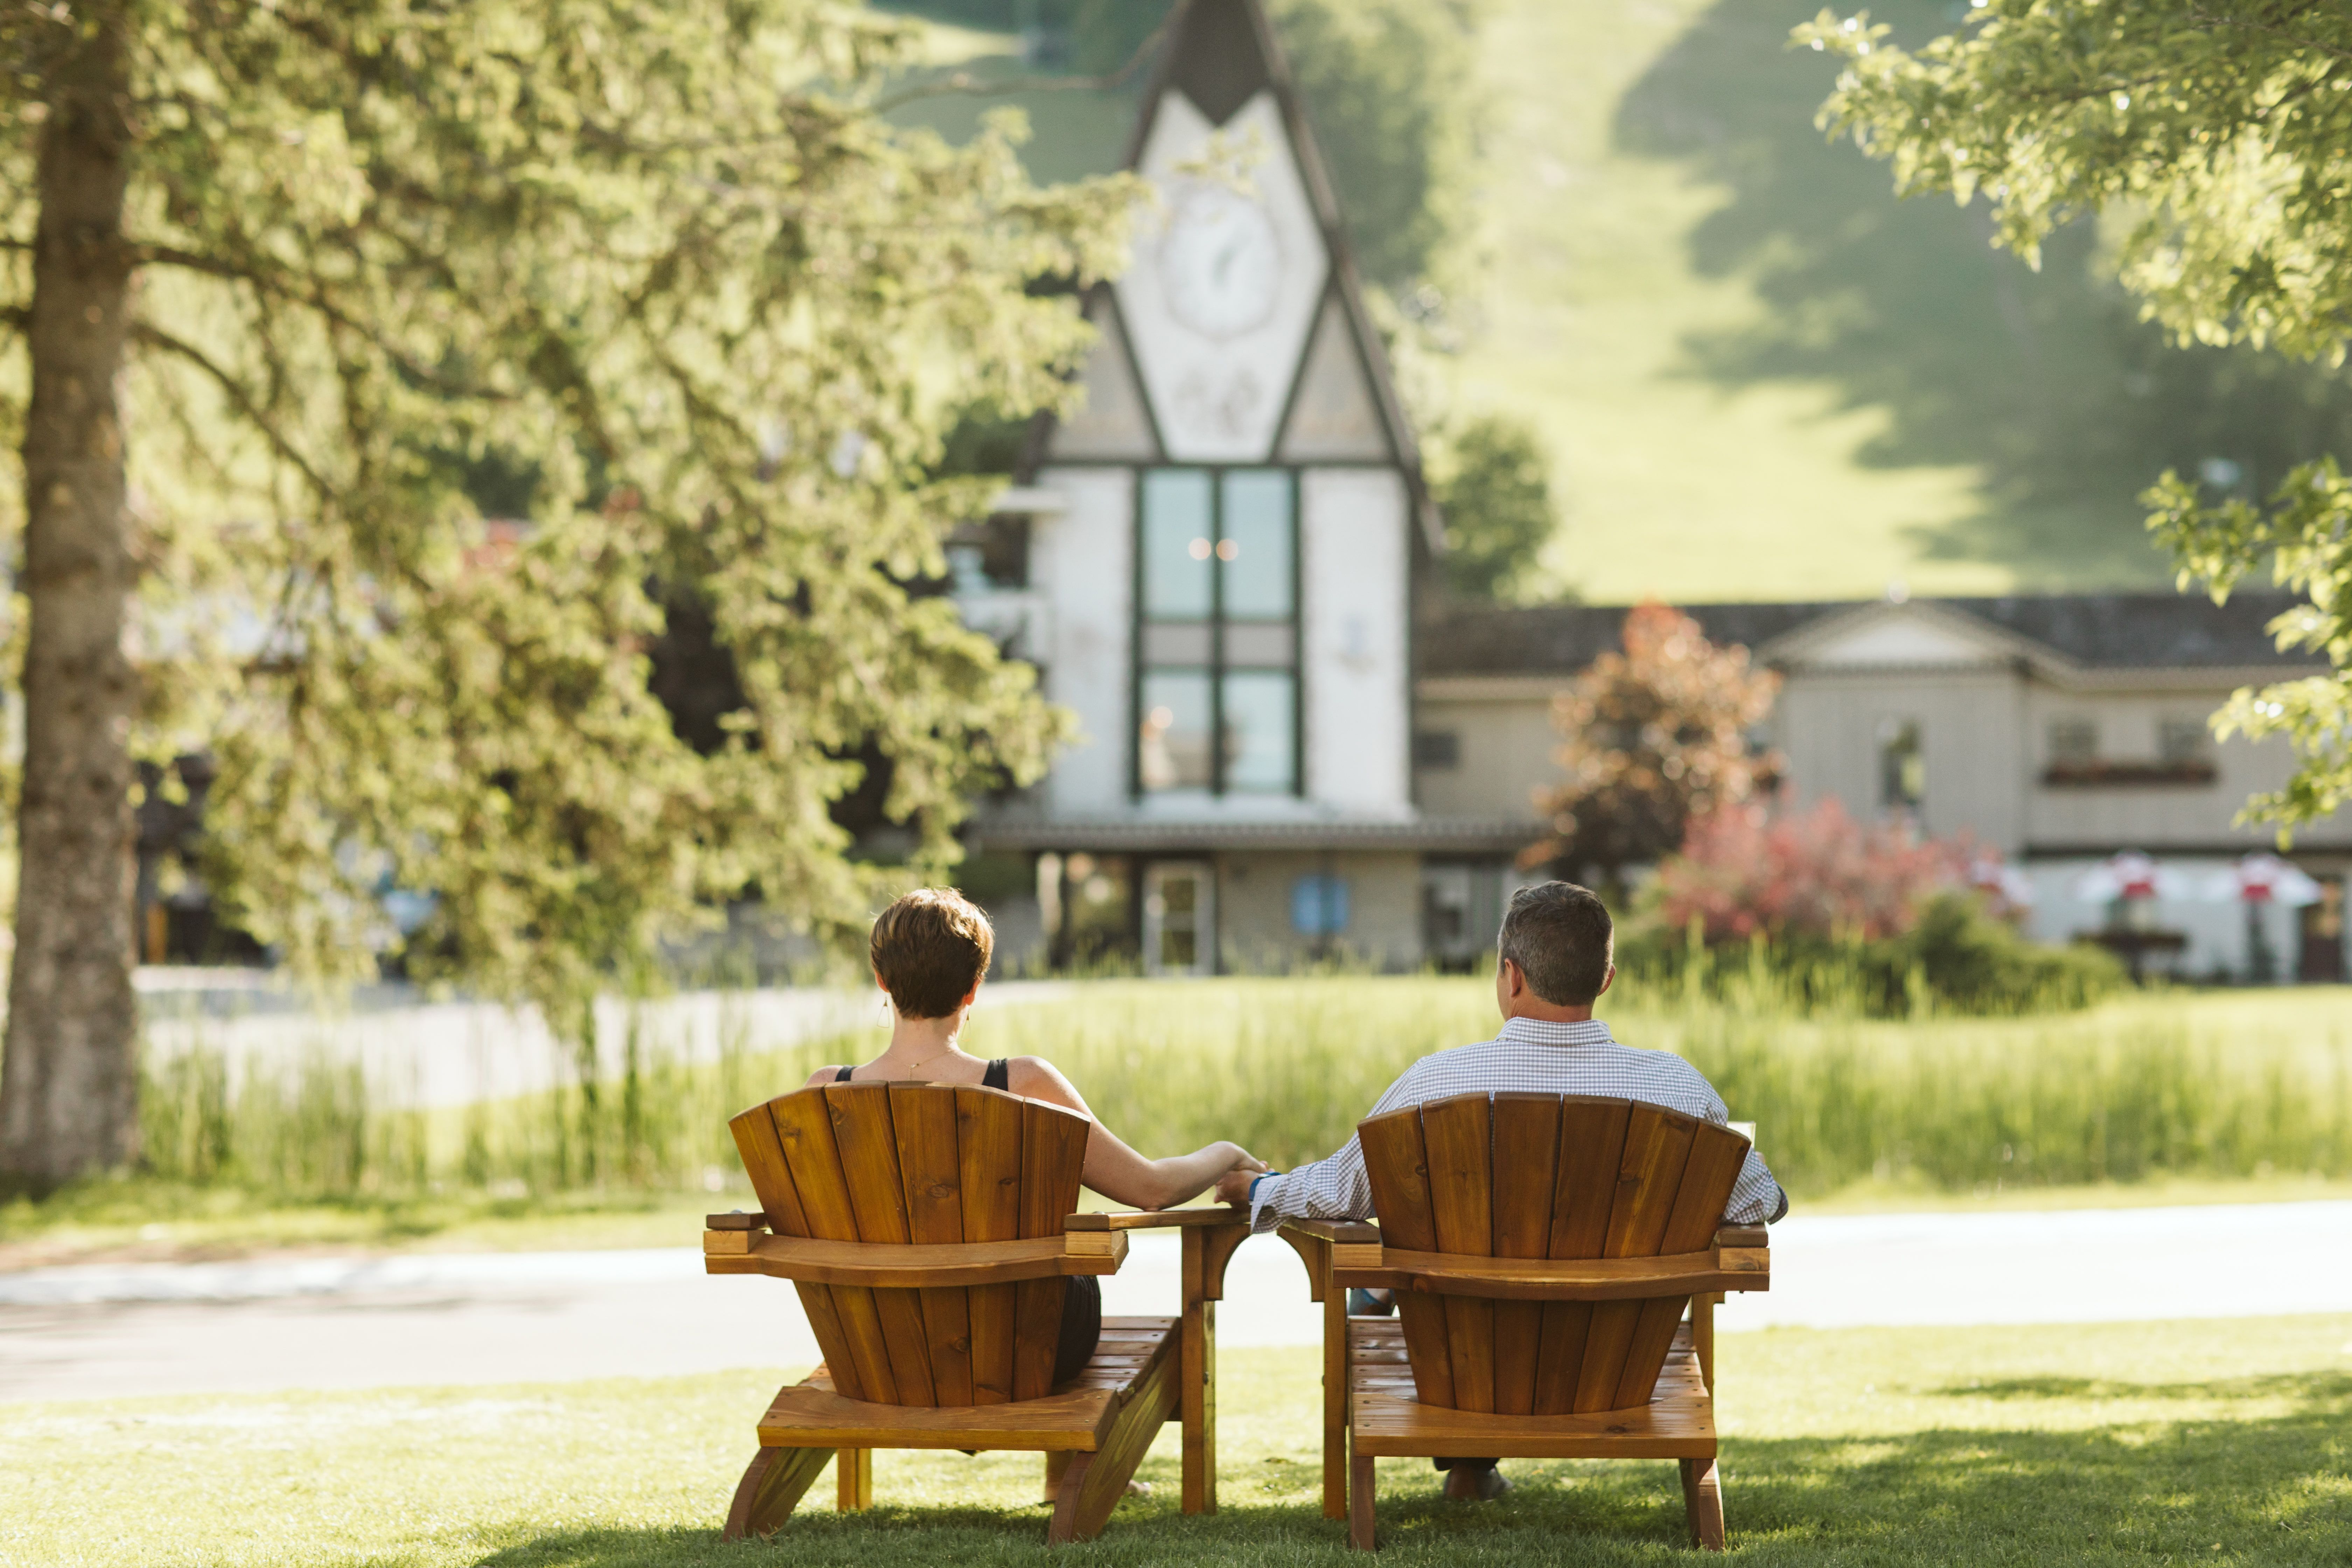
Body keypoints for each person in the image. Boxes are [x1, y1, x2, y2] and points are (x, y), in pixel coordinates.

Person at [1216, 880, 1788, 1503]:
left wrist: (1262, 1187)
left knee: (1388, 1278)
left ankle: (1464, 1468)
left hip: (1468, 1373)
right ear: (1605, 979)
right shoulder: (1679, 1088)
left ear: (1511, 977)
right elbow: (1762, 1204)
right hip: (1614, 1370)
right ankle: (1472, 1471)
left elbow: (1338, 1193)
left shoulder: (1438, 1083)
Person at [813, 887, 1268, 1387]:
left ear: (882, 980)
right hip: (1026, 1350)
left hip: (878, 1349)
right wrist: (1227, 1153)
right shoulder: (1025, 1084)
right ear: (973, 988)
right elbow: (1151, 1190)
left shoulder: (824, 1093)